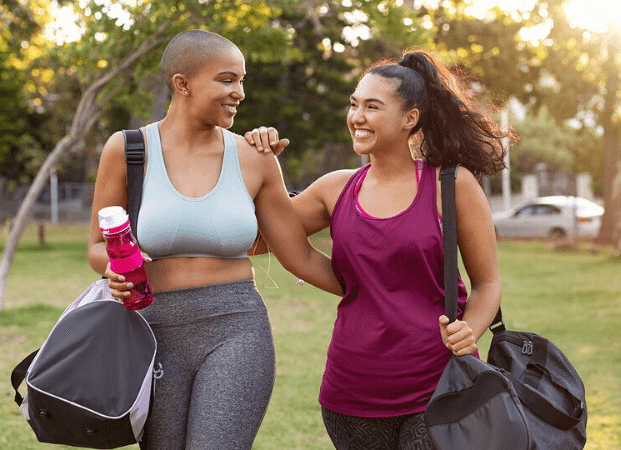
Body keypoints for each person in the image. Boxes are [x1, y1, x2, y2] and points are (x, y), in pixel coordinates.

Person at [87, 29, 343, 450]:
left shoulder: (254, 157)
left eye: (242, 80)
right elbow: (98, 246)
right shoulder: (128, 150)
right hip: (151, 332)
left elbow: (298, 254)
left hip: (236, 329)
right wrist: (112, 266)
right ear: (182, 84)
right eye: (227, 80)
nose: (239, 93)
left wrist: (376, 290)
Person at [246, 49, 509, 449]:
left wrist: (468, 330)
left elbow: (487, 283)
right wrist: (258, 166)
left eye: (372, 106)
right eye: (354, 104)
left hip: (440, 385)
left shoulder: (452, 185)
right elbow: (256, 239)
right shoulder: (335, 189)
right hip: (351, 394)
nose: (357, 117)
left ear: (410, 119)